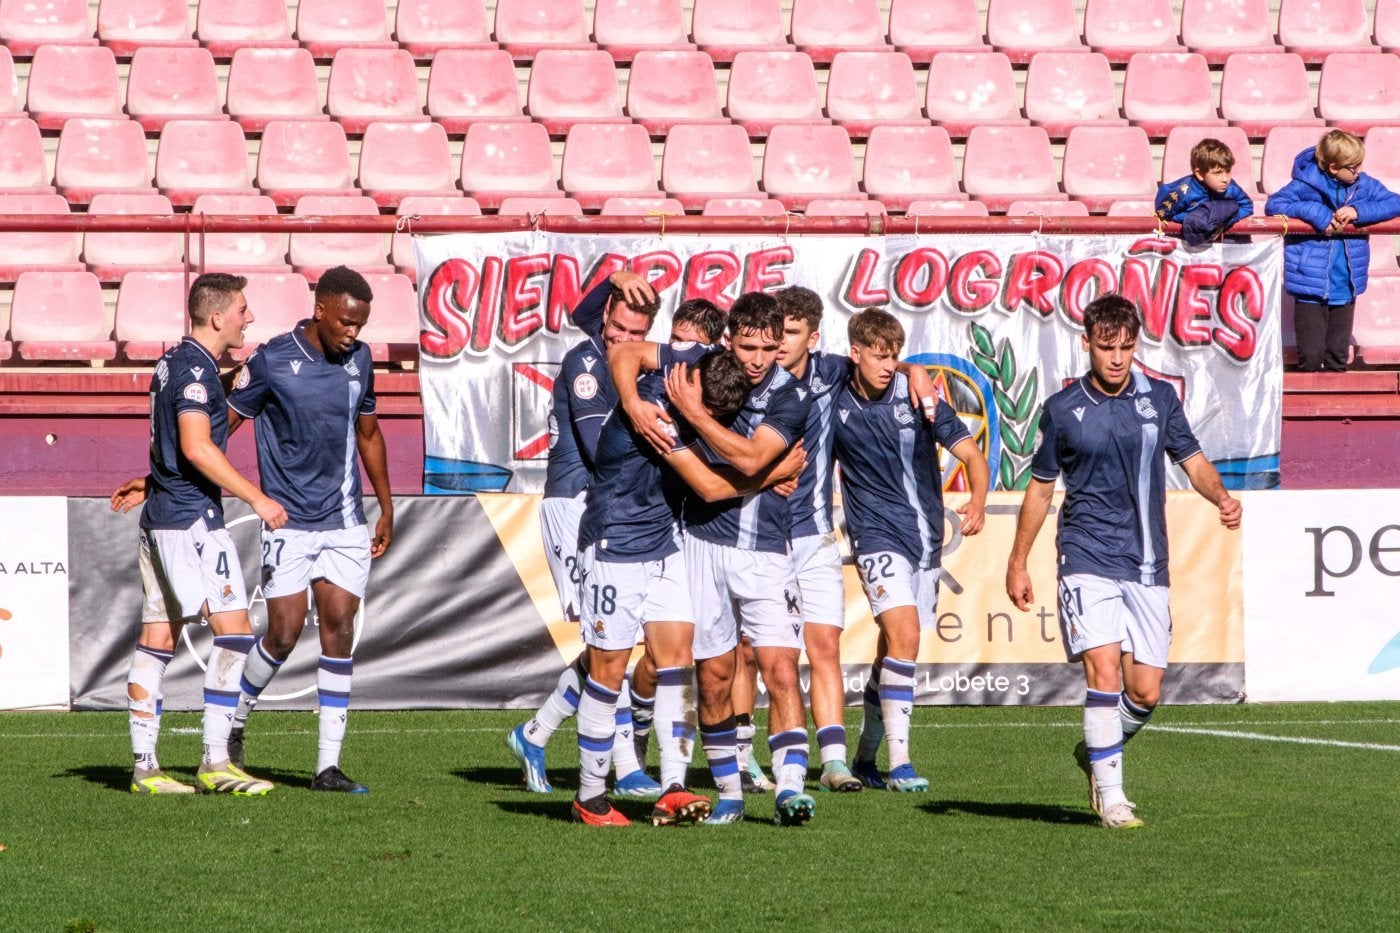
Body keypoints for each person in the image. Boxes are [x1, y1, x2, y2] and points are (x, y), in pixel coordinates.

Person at [1005, 294, 1242, 830]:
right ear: (1086, 343)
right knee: (1104, 671)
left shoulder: (1158, 399)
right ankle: (1113, 798)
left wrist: (1222, 498)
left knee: (1146, 689)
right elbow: (1041, 491)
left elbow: (1192, 459)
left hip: (1147, 561)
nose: (1117, 358)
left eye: (1127, 347)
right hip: (1086, 554)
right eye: (1106, 347)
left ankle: (1097, 750)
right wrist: (1017, 561)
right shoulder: (1063, 411)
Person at [572, 345, 802, 826]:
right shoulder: (659, 415)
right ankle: (589, 795)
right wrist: (770, 474)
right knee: (609, 668)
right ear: (691, 391)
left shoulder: (693, 365)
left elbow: (629, 350)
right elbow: (712, 485)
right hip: (615, 543)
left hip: (665, 545)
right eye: (709, 415)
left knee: (676, 660)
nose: (711, 425)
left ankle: (673, 786)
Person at [208, 266, 395, 793]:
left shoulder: (361, 360)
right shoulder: (271, 360)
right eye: (344, 323)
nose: (352, 334)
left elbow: (369, 432)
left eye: (360, 325)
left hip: (344, 522)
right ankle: (239, 717)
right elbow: (224, 424)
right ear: (320, 311)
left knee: (338, 628)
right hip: (287, 520)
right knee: (284, 632)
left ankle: (327, 767)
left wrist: (387, 507)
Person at [639, 293, 817, 827]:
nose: (759, 360)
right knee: (714, 676)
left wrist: (693, 412)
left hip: (765, 550)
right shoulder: (698, 366)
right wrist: (633, 401)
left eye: (770, 348)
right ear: (727, 340)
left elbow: (748, 456)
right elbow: (625, 354)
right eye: (747, 347)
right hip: (701, 542)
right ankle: (730, 795)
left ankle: (790, 790)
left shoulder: (792, 393)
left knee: (780, 667)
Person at [109, 272, 287, 796]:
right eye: (241, 310)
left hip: (162, 515)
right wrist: (257, 498)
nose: (247, 318)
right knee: (234, 635)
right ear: (217, 317)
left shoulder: (173, 362)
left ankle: (145, 768)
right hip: (191, 521)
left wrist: (151, 479)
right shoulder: (194, 372)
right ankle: (215, 761)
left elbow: (173, 441)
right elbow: (194, 445)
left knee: (158, 638)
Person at [507, 271, 664, 800]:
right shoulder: (588, 363)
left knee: (614, 638)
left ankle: (535, 735)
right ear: (606, 322)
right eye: (615, 327)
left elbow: (586, 314)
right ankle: (626, 766)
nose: (621, 338)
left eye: (633, 333)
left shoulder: (630, 360)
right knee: (606, 640)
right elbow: (604, 454)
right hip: (575, 507)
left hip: (609, 508)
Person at [832, 309, 990, 793]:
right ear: (854, 354)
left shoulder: (918, 395)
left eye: (894, 357)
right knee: (905, 638)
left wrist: (979, 499)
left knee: (894, 649)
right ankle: (900, 762)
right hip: (874, 535)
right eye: (877, 356)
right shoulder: (832, 396)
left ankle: (865, 757)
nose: (887, 365)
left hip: (924, 539)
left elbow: (970, 454)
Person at [1266, 129, 1400, 373]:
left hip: (1345, 284)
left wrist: (1358, 211)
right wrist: (1318, 215)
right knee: (1310, 354)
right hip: (1310, 283)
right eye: (1353, 167)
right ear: (1333, 167)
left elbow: (1395, 202)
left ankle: (1339, 409)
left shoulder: (1364, 185)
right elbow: (1274, 204)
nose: (1358, 171)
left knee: (1338, 355)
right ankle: (1309, 406)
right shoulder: (1304, 184)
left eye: (1360, 165)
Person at [1155, 138, 1254, 246]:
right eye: (1218, 173)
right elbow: (1163, 213)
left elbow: (1247, 206)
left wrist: (1225, 221)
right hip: (1188, 242)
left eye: (1228, 171)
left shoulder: (1232, 188)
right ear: (1200, 174)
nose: (1225, 179)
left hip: (1221, 242)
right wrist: (1193, 219)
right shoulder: (1183, 193)